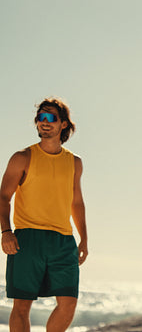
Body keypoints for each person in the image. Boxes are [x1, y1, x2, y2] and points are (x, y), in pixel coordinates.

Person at [0, 97, 88, 332]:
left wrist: (84, 239)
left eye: (51, 117)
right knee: (21, 306)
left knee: (68, 304)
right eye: (40, 117)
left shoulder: (74, 162)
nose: (44, 122)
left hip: (63, 240)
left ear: (64, 124)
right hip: (28, 238)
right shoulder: (22, 158)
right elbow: (3, 197)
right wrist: (6, 232)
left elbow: (76, 202)